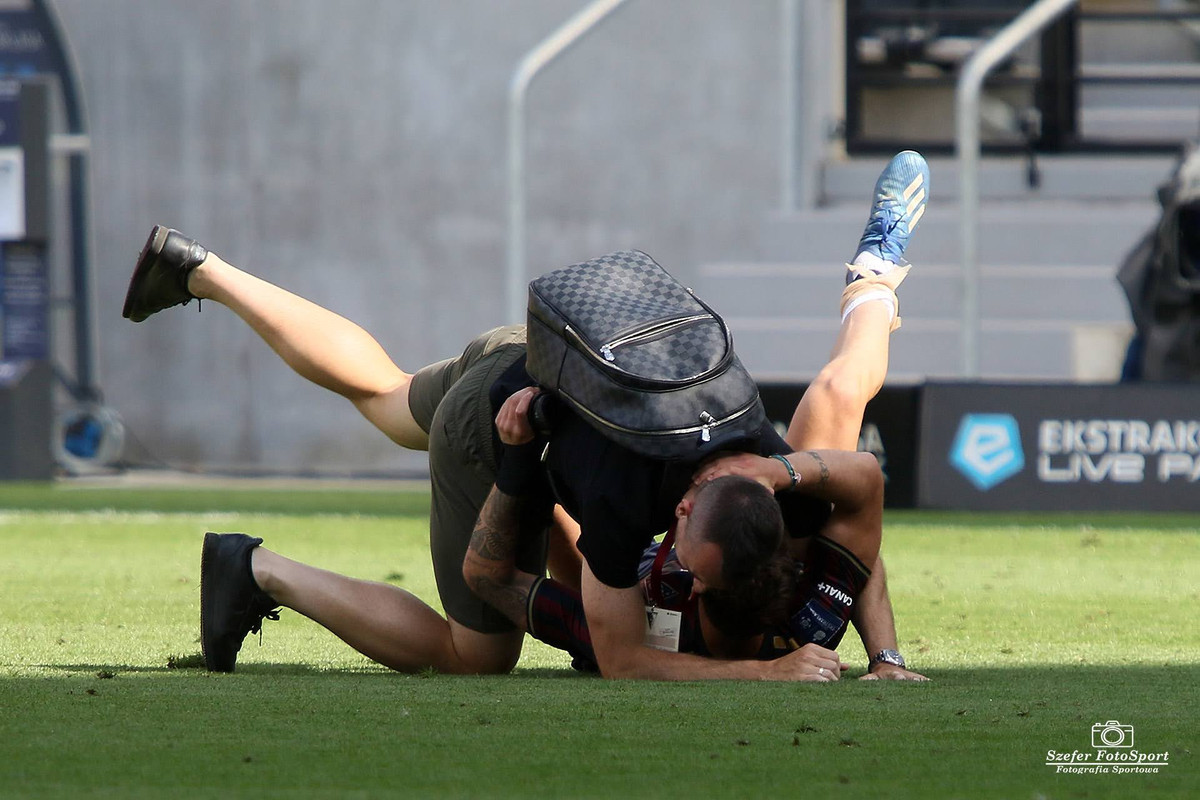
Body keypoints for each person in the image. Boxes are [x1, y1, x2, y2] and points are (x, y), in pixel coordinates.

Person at [124, 151, 930, 681]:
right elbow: (612, 655)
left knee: (385, 397)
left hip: (568, 353)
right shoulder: (630, 507)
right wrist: (760, 674)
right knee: (475, 655)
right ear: (691, 506)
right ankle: (256, 570)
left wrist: (882, 650)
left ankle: (203, 271)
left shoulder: (762, 470)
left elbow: (849, 480)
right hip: (511, 413)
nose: (675, 556)